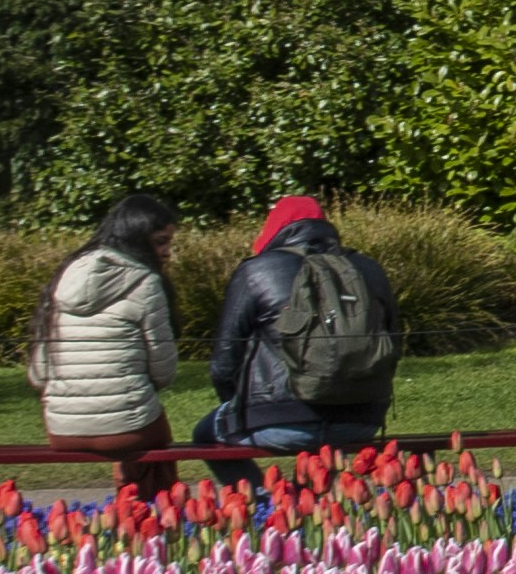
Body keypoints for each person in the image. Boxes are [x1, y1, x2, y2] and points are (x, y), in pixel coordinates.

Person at [199, 193, 404, 451]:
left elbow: (223, 363)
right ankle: (307, 491)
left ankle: (259, 493)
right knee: (315, 476)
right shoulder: (369, 269)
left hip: (275, 422)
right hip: (360, 421)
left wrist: (240, 405)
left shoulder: (257, 270)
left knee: (203, 434)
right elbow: (393, 345)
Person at [30, 189, 179, 447]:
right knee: (155, 437)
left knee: (137, 426)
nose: (167, 252)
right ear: (137, 239)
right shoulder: (146, 283)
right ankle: (155, 490)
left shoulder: (64, 276)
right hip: (130, 427)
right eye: (160, 241)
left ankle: (128, 487)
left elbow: (38, 373)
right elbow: (163, 370)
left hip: (61, 429)